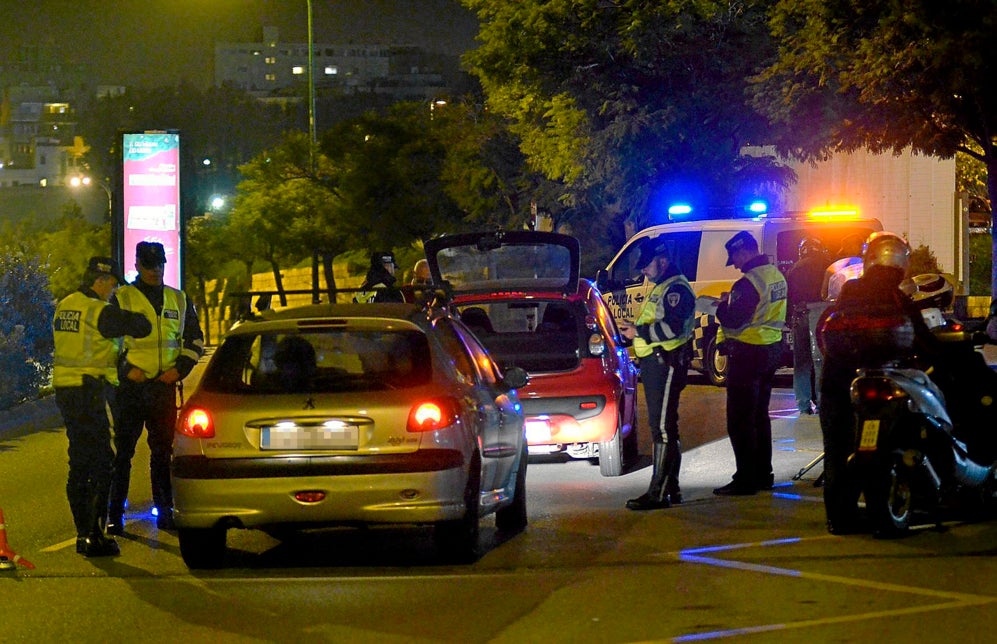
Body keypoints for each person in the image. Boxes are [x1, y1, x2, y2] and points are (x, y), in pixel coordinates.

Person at [52, 257, 152, 557]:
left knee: (79, 462)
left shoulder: (66, 304)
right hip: (90, 390)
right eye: (112, 284)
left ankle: (82, 532)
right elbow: (141, 326)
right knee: (102, 462)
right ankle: (95, 535)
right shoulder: (97, 310)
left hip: (67, 390)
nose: (113, 290)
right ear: (101, 281)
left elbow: (88, 345)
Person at [107, 242, 204, 533]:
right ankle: (114, 515)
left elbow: (195, 341)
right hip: (131, 390)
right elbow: (105, 345)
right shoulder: (121, 299)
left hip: (163, 387)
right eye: (149, 265)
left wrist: (179, 370)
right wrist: (127, 370)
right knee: (123, 453)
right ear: (137, 265)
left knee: (162, 453)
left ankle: (165, 511)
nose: (155, 270)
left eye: (159, 265)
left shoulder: (179, 299)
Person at [618, 238, 695, 510]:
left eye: (646, 266)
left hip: (666, 363)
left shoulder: (675, 289)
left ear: (662, 261)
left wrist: (637, 332)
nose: (644, 272)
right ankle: (670, 488)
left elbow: (672, 329)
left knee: (661, 428)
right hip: (659, 363)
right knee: (666, 427)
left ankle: (658, 493)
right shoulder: (663, 286)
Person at [713, 231, 787, 496]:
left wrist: (718, 307)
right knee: (759, 416)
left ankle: (745, 479)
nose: (734, 264)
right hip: (771, 349)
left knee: (740, 419)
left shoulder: (748, 283)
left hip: (748, 351)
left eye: (734, 257)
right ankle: (763, 475)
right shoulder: (776, 275)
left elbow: (734, 320)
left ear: (744, 251)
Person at [785, 237, 831, 414]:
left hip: (799, 314)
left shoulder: (795, 268)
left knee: (801, 362)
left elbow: (789, 295)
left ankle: (803, 405)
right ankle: (822, 402)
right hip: (821, 314)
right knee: (820, 360)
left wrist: (789, 317)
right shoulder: (828, 265)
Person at [821, 234, 865, 301]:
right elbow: (824, 294)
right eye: (847, 246)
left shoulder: (868, 264)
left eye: (851, 245)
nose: (849, 248)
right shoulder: (836, 266)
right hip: (842, 304)